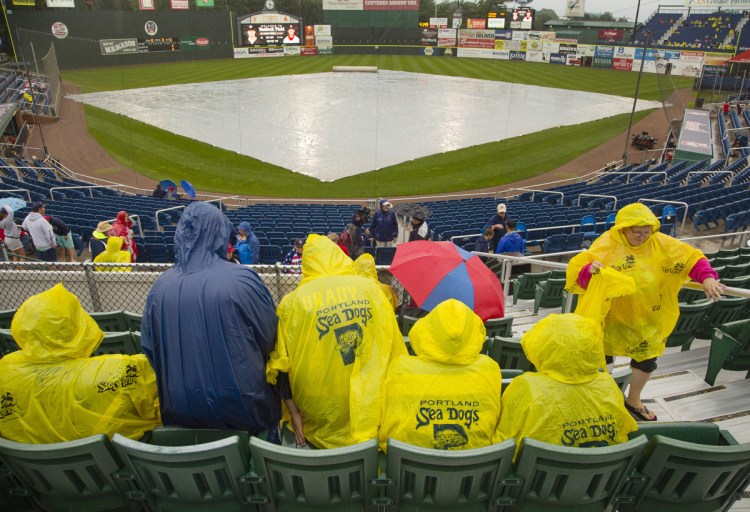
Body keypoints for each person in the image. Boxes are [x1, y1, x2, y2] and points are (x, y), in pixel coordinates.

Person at [566, 203, 724, 422]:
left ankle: (633, 400)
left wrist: (706, 277)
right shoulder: (606, 244)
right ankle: (605, 398)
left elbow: (691, 258)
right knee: (603, 357)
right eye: (637, 232)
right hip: (611, 316)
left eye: (646, 232)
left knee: (646, 360)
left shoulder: (661, 243)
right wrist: (589, 271)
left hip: (648, 316)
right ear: (623, 228)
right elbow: (580, 274)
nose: (642, 237)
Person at [141, 202, 280, 432]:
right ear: (219, 232)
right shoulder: (242, 280)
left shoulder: (159, 287)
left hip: (179, 410)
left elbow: (150, 349)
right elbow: (271, 338)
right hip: (245, 412)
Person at [266, 234, 406, 448]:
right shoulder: (370, 290)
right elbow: (393, 344)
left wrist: (294, 412)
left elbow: (280, 364)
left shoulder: (293, 302)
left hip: (319, 409)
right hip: (371, 405)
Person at [0, 283, 160, 443]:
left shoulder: (6, 371)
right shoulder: (121, 370)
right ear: (76, 323)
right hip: (114, 463)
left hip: (31, 467)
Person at [495, 314, 637, 458]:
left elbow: (503, 440)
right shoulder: (607, 384)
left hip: (539, 476)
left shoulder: (526, 387)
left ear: (542, 347)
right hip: (603, 474)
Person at [380, 300, 502, 451]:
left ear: (427, 329)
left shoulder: (401, 368)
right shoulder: (490, 369)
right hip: (472, 467)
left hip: (408, 465)